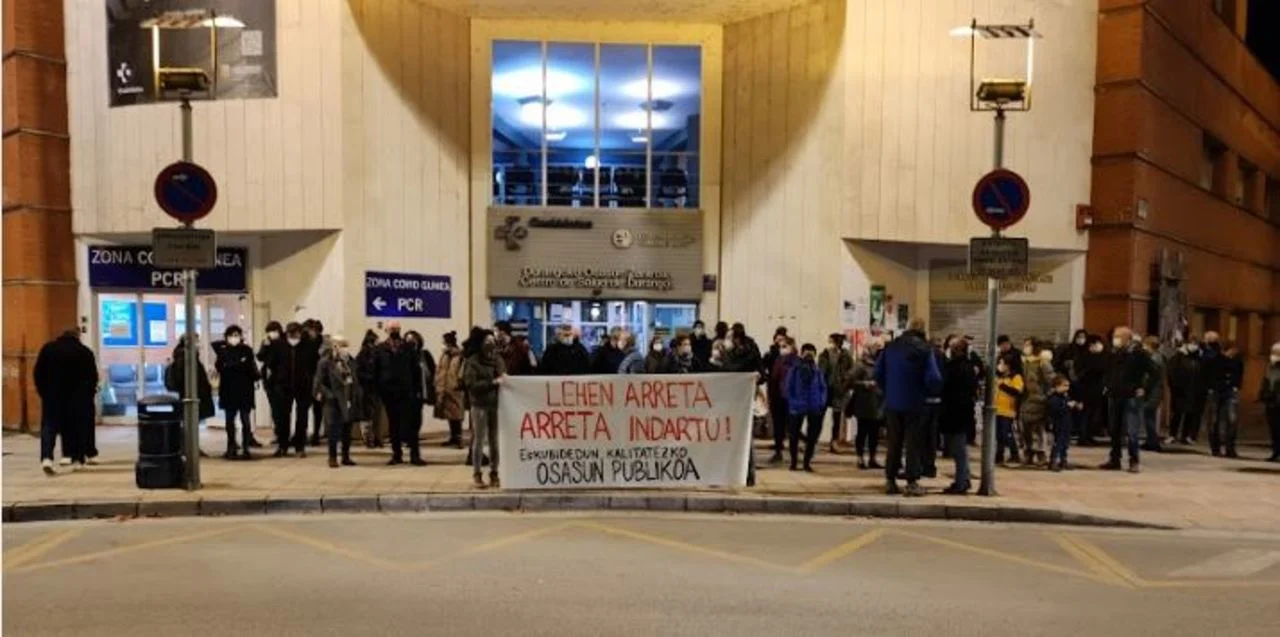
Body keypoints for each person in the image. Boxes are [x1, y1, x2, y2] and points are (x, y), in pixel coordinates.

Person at [874, 318, 943, 496]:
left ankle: (890, 480)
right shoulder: (925, 349)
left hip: (893, 402)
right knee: (913, 443)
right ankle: (911, 482)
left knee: (894, 442)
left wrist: (888, 390)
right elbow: (934, 378)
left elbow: (878, 373)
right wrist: (928, 392)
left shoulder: (891, 347)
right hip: (915, 403)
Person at [33, 329, 98, 475]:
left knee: (49, 427)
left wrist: (43, 392)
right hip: (77, 398)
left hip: (52, 396)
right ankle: (77, 459)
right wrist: (89, 395)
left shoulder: (48, 349)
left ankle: (47, 458)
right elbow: (92, 376)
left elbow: (38, 373)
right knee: (75, 428)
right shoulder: (84, 352)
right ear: (77, 336)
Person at [259, 322, 317, 457]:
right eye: (291, 334)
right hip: (283, 386)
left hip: (303, 386)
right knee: (282, 418)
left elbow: (313, 365)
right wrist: (273, 383)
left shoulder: (309, 346)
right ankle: (282, 445)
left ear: (300, 333)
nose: (293, 337)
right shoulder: (278, 345)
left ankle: (299, 446)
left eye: (296, 334)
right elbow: (268, 362)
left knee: (302, 418)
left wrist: (311, 382)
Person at [1100, 326, 1149, 473]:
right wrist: (1107, 385)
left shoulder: (1138, 354)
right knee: (1114, 429)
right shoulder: (1114, 353)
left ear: (1127, 338)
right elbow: (1108, 371)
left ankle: (1134, 460)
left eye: (1118, 337)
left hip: (1131, 395)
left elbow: (1151, 372)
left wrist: (1143, 387)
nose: (1115, 340)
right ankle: (1115, 459)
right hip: (1115, 394)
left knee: (1131, 430)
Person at [377, 321, 425, 466]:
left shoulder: (408, 347)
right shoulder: (381, 349)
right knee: (393, 424)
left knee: (411, 424)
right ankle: (396, 454)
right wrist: (379, 388)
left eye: (396, 329)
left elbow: (415, 370)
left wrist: (417, 389)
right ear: (387, 330)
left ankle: (415, 455)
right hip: (389, 392)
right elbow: (377, 370)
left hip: (406, 391)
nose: (394, 331)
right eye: (392, 329)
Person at [463, 328, 506, 488]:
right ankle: (477, 473)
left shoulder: (497, 359)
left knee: (494, 441)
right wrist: (492, 383)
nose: (490, 343)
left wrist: (501, 379)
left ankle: (494, 472)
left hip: (495, 404)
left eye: (492, 340)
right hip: (479, 404)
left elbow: (504, 375)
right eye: (487, 341)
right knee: (479, 440)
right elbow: (471, 384)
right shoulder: (473, 361)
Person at [213, 325, 259, 459]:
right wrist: (236, 364)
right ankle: (231, 447)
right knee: (229, 421)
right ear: (226, 337)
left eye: (236, 335)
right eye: (231, 335)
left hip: (245, 390)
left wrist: (231, 365)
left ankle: (246, 448)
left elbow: (248, 367)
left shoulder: (247, 350)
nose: (234, 338)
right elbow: (219, 367)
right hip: (228, 390)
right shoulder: (222, 351)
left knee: (245, 420)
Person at [940, 336, 979, 493]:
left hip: (954, 411)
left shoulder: (953, 367)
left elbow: (945, 387)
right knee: (960, 448)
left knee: (958, 449)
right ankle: (964, 478)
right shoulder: (969, 366)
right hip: (964, 411)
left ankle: (961, 481)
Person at [165, 334, 215, 457]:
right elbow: (184, 378)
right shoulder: (185, 357)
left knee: (191, 423)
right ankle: (189, 448)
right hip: (191, 395)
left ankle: (190, 447)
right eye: (196, 341)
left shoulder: (189, 356)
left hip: (194, 394)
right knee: (190, 423)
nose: (198, 343)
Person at [314, 335, 360, 468]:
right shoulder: (325, 362)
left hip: (348, 399)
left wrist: (355, 395)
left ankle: (346, 456)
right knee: (333, 430)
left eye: (346, 346)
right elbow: (319, 383)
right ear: (334, 347)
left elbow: (353, 380)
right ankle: (332, 457)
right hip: (333, 401)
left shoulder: (350, 361)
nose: (345, 349)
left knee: (347, 429)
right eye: (342, 346)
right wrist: (329, 395)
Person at [784, 344, 827, 472]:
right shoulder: (795, 369)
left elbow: (823, 387)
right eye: (807, 353)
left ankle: (807, 462)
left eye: (811, 353)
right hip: (797, 406)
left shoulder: (817, 370)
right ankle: (794, 462)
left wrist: (821, 402)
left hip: (814, 406)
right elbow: (788, 387)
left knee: (812, 436)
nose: (809, 356)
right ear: (802, 354)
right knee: (793, 435)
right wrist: (792, 402)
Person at [850, 337, 885, 470]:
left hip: (877, 404)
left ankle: (872, 457)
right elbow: (849, 381)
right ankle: (860, 457)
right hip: (864, 404)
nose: (878, 350)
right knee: (862, 432)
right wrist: (864, 384)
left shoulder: (881, 364)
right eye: (876, 347)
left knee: (874, 433)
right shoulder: (861, 365)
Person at [818, 333, 855, 454]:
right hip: (826, 389)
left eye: (832, 341)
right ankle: (813, 440)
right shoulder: (825, 354)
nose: (831, 344)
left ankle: (834, 442)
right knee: (819, 416)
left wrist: (846, 381)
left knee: (837, 417)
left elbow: (851, 370)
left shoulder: (846, 355)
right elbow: (821, 371)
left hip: (839, 390)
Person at [1207, 340, 1244, 458]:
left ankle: (1230, 447)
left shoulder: (1237, 361)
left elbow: (1239, 374)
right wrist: (1212, 387)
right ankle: (1215, 447)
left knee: (1232, 419)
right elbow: (1209, 375)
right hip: (1217, 391)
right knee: (1215, 420)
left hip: (1230, 391)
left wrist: (1236, 386)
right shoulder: (1215, 360)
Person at [1166, 336, 1206, 445]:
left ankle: (1186, 435)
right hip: (1180, 391)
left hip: (1195, 390)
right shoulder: (1179, 356)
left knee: (1191, 413)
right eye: (1192, 342)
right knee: (1177, 413)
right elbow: (1171, 372)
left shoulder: (1200, 357)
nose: (1194, 345)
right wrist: (1174, 386)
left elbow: (1204, 374)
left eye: (1195, 343)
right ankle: (1172, 434)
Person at [1020, 340, 1052, 466]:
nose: (1025, 347)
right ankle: (1028, 452)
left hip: (1039, 399)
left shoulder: (1043, 363)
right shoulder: (1024, 362)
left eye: (1028, 345)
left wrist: (1045, 396)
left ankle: (1041, 453)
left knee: (1038, 428)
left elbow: (1050, 380)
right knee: (1025, 428)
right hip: (1026, 399)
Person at [766, 337, 798, 464]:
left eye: (785, 346)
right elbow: (774, 379)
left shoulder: (796, 362)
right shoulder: (779, 360)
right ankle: (778, 451)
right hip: (778, 397)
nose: (782, 349)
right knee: (778, 426)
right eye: (781, 346)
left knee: (792, 427)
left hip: (791, 398)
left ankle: (793, 455)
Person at [405, 330, 437, 448]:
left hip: (421, 390)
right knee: (407, 415)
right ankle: (408, 437)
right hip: (406, 391)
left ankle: (414, 436)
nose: (411, 342)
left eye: (413, 339)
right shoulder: (403, 354)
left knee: (417, 415)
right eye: (408, 339)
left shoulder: (424, 354)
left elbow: (433, 370)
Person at [434, 331, 467, 448]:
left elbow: (461, 372)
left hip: (455, 389)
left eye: (444, 342)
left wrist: (458, 384)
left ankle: (459, 439)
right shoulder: (445, 355)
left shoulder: (459, 356)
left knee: (456, 415)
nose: (442, 345)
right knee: (449, 415)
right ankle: (453, 437)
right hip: (444, 388)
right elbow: (440, 370)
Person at [355, 330, 385, 448]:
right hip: (366, 389)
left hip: (376, 389)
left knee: (377, 415)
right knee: (368, 415)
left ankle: (377, 438)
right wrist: (371, 377)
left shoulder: (377, 355)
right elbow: (358, 373)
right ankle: (369, 439)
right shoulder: (362, 356)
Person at [1076, 335, 1108, 445]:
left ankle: (1089, 435)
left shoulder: (1102, 357)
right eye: (1096, 344)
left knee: (1093, 414)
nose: (1099, 346)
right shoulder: (1086, 357)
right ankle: (1083, 436)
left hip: (1096, 389)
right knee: (1086, 413)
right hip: (1087, 389)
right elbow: (1084, 373)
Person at [993, 357, 1024, 465]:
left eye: (1002, 363)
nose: (1000, 365)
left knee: (1006, 433)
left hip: (1008, 410)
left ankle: (1014, 453)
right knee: (999, 435)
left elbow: (1017, 391)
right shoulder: (999, 376)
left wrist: (1002, 386)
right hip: (997, 409)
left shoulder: (1016, 377)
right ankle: (999, 455)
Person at [1046, 375, 1081, 471]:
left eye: (1068, 386)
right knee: (1058, 443)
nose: (1067, 388)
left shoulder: (1065, 396)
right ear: (1057, 386)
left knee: (1065, 443)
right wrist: (1067, 406)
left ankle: (1063, 460)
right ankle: (1053, 461)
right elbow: (1055, 410)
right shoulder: (1053, 398)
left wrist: (1075, 406)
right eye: (1064, 385)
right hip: (1058, 424)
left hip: (1066, 423)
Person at [1139, 335, 1166, 452]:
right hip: (1155, 390)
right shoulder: (1157, 357)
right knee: (1150, 416)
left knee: (1149, 415)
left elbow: (1150, 377)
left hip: (1153, 391)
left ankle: (1153, 441)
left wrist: (1144, 387)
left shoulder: (1154, 359)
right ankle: (1151, 440)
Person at [302, 319, 326, 447]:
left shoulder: (321, 343)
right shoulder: (305, 342)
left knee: (316, 409)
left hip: (317, 380)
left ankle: (315, 434)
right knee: (309, 409)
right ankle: (308, 434)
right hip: (308, 380)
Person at [1260, 342, 1280, 463]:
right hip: (1271, 402)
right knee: (1274, 428)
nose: (1273, 355)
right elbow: (1266, 381)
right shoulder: (1269, 367)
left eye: (1276, 353)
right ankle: (1275, 451)